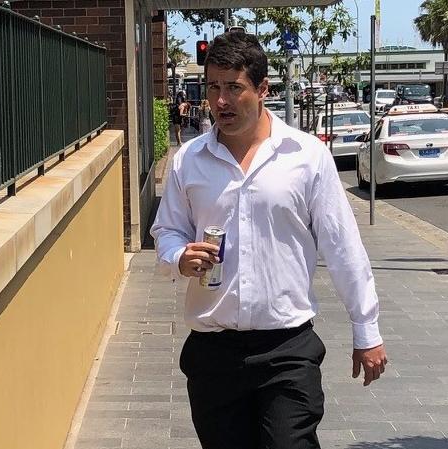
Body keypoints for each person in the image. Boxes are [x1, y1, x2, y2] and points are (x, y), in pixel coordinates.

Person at [151, 31, 387, 449]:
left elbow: (342, 245)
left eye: (233, 88)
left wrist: (366, 330)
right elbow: (167, 230)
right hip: (213, 351)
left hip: (286, 349)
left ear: (262, 89)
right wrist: (178, 256)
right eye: (212, 87)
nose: (220, 101)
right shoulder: (189, 160)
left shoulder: (306, 156)